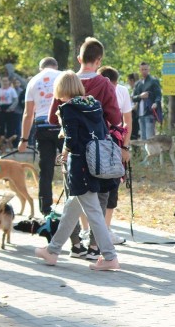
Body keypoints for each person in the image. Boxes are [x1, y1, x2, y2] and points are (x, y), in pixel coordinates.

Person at [34, 71, 121, 270]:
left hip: (80, 167)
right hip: (95, 164)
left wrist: (65, 152)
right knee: (71, 210)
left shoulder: (68, 109)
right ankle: (52, 251)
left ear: (61, 89)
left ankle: (109, 256)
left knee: (93, 213)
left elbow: (72, 140)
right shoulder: (93, 104)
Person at [48, 37, 124, 262]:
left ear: (79, 58)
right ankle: (95, 248)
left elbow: (53, 117)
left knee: (73, 195)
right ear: (99, 60)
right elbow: (116, 118)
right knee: (96, 198)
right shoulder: (103, 84)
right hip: (99, 151)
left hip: (72, 151)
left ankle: (73, 245)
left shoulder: (66, 82)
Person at [19, 57, 63, 215]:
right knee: (71, 166)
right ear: (56, 66)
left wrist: (23, 139)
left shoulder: (33, 82)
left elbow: (28, 113)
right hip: (61, 125)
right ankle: (76, 205)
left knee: (46, 171)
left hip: (42, 127)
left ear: (40, 68)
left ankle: (45, 209)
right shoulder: (63, 75)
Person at [99, 65, 133, 245]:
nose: (112, 89)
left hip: (116, 144)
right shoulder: (93, 88)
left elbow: (128, 121)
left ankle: (106, 228)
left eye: (114, 86)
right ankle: (90, 230)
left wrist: (125, 147)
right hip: (97, 146)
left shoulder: (122, 91)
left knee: (113, 188)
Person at [132, 62, 161, 140]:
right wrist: (140, 96)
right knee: (143, 138)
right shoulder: (138, 83)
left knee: (149, 138)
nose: (144, 71)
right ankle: (146, 152)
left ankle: (151, 153)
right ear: (140, 70)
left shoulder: (154, 81)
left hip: (149, 113)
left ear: (149, 70)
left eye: (145, 69)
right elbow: (133, 98)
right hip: (140, 115)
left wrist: (156, 103)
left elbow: (158, 95)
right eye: (142, 69)